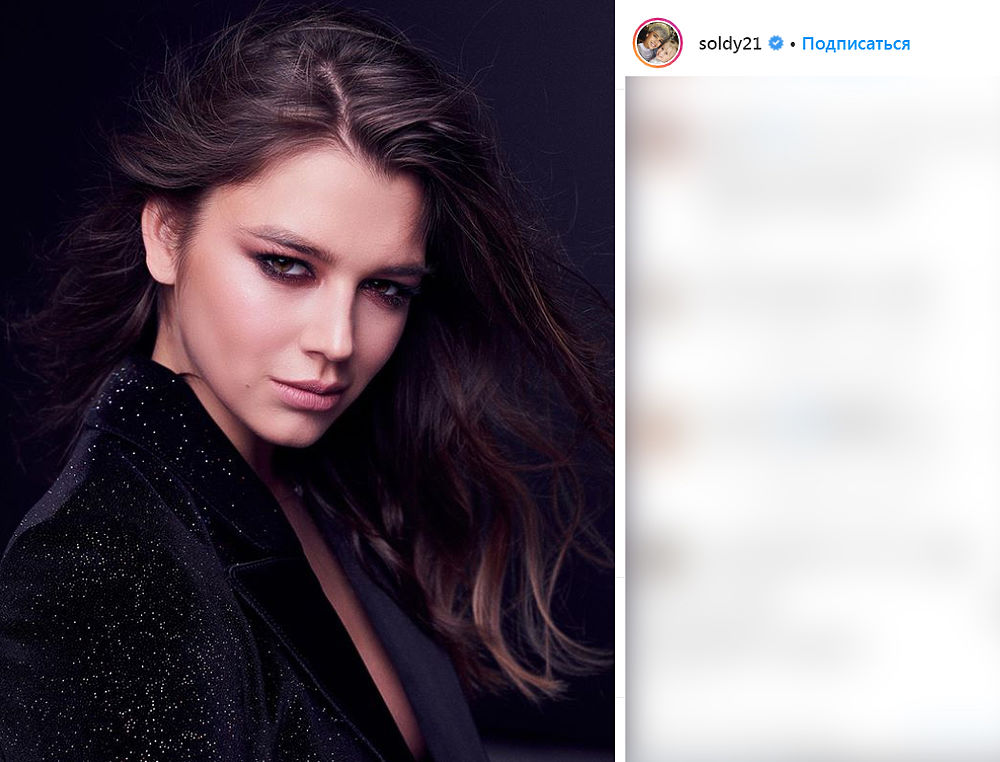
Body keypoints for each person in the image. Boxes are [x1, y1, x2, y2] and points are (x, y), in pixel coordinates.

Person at [0, 5, 612, 761]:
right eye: (287, 266)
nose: (337, 342)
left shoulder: (331, 494)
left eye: (385, 288)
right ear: (166, 235)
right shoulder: (98, 570)